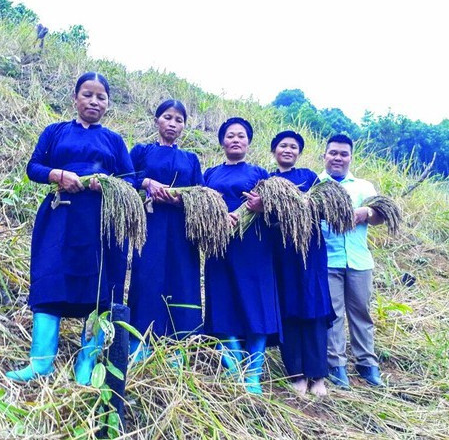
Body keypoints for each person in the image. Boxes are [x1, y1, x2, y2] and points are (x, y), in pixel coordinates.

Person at [6, 72, 134, 384]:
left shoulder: (114, 141)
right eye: (87, 94)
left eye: (100, 97)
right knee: (50, 279)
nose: (94, 101)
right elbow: (34, 167)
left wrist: (104, 183)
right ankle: (40, 363)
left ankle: (87, 364)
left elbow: (129, 180)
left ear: (108, 104)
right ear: (75, 98)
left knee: (98, 287)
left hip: (100, 223)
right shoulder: (55, 132)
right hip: (59, 216)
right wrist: (58, 174)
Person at [203, 117, 282, 394]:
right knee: (222, 304)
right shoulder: (210, 174)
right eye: (230, 136)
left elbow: (277, 207)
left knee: (256, 306)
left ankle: (254, 376)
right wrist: (217, 216)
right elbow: (200, 205)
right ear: (222, 142)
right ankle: (235, 367)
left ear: (248, 142)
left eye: (241, 136)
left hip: (254, 248)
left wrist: (262, 205)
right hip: (220, 246)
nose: (235, 140)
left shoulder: (260, 173)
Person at [128, 100, 203, 358]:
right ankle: (139, 345)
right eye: (168, 117)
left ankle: (178, 351)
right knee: (146, 279)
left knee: (182, 281)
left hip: (182, 231)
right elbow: (124, 179)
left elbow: (202, 193)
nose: (173, 124)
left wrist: (181, 198)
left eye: (179, 120)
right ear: (157, 120)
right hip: (149, 225)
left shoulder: (190, 159)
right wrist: (147, 182)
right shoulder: (141, 151)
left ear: (183, 126)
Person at [270, 130, 335, 396]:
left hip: (310, 253)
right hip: (282, 254)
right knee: (289, 310)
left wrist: (301, 204)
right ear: (274, 151)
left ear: (299, 152)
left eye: (293, 146)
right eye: (283, 145)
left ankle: (317, 376)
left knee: (315, 309)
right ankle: (296, 374)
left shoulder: (310, 177)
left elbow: (325, 206)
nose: (288, 150)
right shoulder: (268, 180)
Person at [319, 134, 385, 388]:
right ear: (324, 155)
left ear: (350, 157)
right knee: (333, 315)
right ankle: (337, 366)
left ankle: (367, 364)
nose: (338, 158)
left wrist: (366, 212)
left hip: (359, 261)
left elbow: (381, 215)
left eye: (343, 154)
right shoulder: (316, 184)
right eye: (333, 153)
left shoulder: (364, 187)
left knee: (361, 313)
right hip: (328, 260)